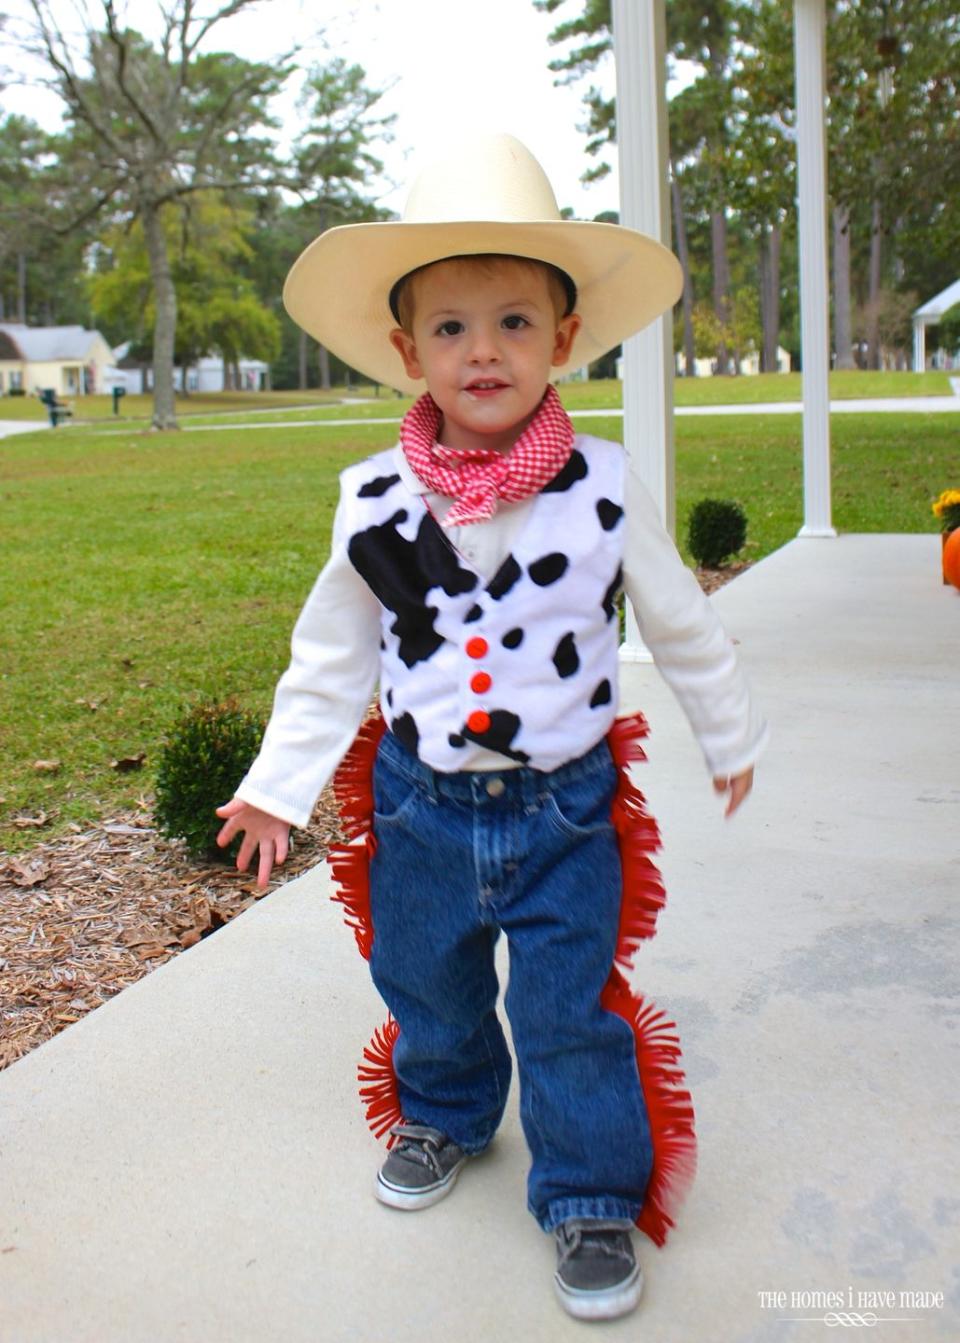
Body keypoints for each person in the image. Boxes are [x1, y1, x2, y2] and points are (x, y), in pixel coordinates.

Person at [215, 134, 768, 1323]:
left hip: (564, 808)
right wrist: (277, 783)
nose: (484, 350)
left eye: (515, 321)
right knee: (430, 982)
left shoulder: (606, 484)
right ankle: (449, 1113)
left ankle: (586, 1193)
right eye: (453, 327)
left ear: (564, 340)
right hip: (420, 803)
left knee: (569, 1009)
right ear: (408, 349)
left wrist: (728, 732)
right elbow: (331, 656)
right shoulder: (374, 497)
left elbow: (679, 622)